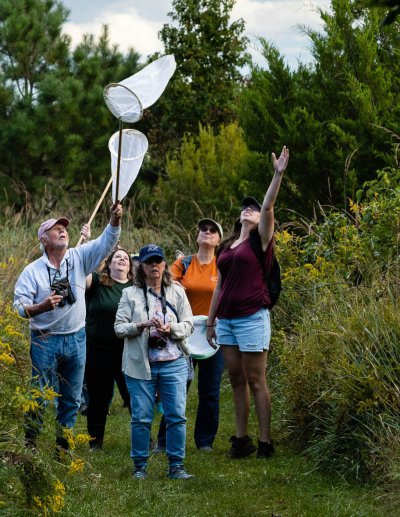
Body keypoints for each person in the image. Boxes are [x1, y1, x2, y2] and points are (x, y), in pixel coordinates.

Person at [13, 204, 123, 456]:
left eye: (64, 229)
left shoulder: (79, 257)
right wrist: (39, 307)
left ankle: (62, 449)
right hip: (44, 339)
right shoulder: (32, 271)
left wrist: (114, 221)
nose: (63, 231)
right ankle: (30, 444)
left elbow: (106, 242)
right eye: (56, 229)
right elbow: (18, 307)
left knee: (72, 398)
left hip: (76, 338)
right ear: (44, 240)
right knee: (39, 396)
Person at [207, 147, 289, 460]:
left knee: (256, 380)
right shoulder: (227, 246)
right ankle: (242, 441)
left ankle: (265, 443)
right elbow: (220, 286)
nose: (248, 209)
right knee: (236, 379)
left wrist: (277, 174)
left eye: (252, 209)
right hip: (226, 321)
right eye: (245, 208)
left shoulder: (261, 241)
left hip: (252, 317)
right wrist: (210, 322)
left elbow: (268, 206)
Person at [114, 244, 195, 480]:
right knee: (141, 417)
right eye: (149, 262)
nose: (154, 265)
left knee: (177, 415)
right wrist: (140, 325)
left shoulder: (178, 292)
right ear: (141, 267)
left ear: (164, 265)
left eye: (158, 261)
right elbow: (119, 328)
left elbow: (189, 325)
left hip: (174, 362)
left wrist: (172, 329)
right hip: (141, 363)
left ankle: (176, 466)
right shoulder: (129, 294)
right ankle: (139, 467)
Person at [155, 217, 226, 452]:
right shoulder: (182, 263)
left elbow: (230, 294)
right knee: (176, 388)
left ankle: (205, 442)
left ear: (219, 240)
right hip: (183, 335)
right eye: (203, 229)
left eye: (212, 230)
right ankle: (165, 441)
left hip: (213, 337)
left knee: (210, 391)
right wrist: (174, 287)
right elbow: (163, 286)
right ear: (197, 237)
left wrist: (221, 315)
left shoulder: (223, 265)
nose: (207, 232)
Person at [83, 247, 134, 450]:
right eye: (117, 257)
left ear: (130, 266)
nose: (122, 259)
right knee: (97, 397)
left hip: (128, 351)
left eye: (126, 258)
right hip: (97, 350)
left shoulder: (135, 288)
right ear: (109, 263)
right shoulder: (97, 283)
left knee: (133, 395)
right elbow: (81, 272)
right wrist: (87, 243)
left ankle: (144, 437)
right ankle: (95, 441)